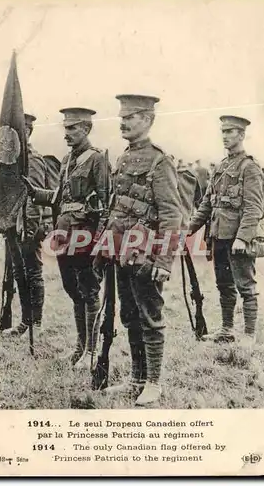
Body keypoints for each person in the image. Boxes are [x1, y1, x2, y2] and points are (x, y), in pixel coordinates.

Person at [103, 94, 184, 406]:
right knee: (129, 315)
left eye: (132, 116)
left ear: (149, 120)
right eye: (122, 116)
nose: (123, 121)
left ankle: (153, 383)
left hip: (146, 254)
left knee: (150, 317)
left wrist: (164, 260)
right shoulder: (123, 158)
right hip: (122, 250)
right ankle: (135, 380)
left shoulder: (160, 161)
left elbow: (171, 215)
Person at [23, 108, 109, 371]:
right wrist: (34, 191)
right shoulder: (66, 160)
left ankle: (92, 352)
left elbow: (106, 203)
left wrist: (99, 241)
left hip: (85, 235)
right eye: (66, 128)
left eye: (72, 128)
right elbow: (60, 197)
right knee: (74, 291)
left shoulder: (97, 159)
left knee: (90, 291)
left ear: (87, 129)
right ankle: (80, 348)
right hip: (64, 235)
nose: (67, 134)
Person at [188, 116, 263, 347]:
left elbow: (254, 207)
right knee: (224, 284)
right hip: (218, 235)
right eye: (223, 131)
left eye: (230, 131)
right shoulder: (221, 166)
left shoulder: (249, 167)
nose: (225, 135)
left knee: (246, 286)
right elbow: (208, 204)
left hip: (237, 238)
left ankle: (249, 334)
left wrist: (242, 238)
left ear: (241, 135)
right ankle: (227, 330)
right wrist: (189, 229)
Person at [7, 113, 54, 335]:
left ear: (27, 132)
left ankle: (36, 323)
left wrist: (30, 228)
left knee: (32, 272)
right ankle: (26, 321)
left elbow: (33, 197)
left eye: (20, 130)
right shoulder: (10, 159)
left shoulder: (32, 158)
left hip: (28, 225)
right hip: (12, 225)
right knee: (19, 273)